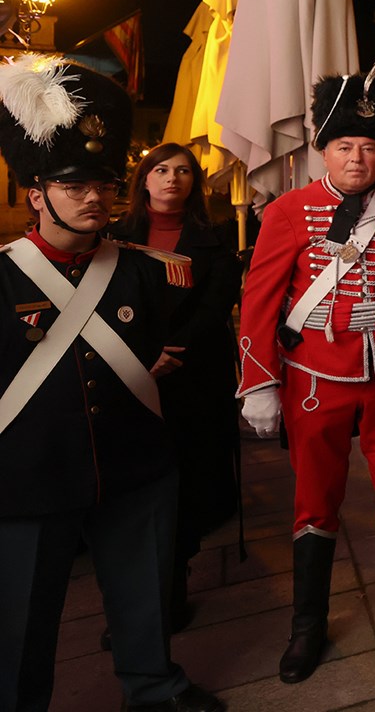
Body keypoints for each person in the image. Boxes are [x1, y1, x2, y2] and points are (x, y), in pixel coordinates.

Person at [0, 60, 223, 712]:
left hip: (133, 462)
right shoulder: (4, 278)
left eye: (103, 185)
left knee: (143, 593)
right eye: (74, 185)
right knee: (21, 618)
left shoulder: (146, 272)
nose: (94, 198)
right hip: (31, 473)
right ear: (37, 193)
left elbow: (166, 346)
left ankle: (155, 690)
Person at [238, 59, 375, 684]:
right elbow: (260, 300)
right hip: (315, 376)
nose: (357, 158)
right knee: (315, 500)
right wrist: (259, 381)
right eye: (344, 146)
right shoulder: (288, 212)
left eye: (367, 147)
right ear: (323, 151)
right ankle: (307, 625)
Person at [111, 143, 241, 632]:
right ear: (144, 178)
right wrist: (144, 353)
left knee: (184, 482)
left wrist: (171, 351)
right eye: (161, 169)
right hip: (129, 372)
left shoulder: (216, 237)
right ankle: (130, 593)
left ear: (195, 182)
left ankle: (171, 587)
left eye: (183, 171)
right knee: (132, 487)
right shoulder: (114, 235)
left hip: (192, 376)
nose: (172, 178)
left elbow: (215, 307)